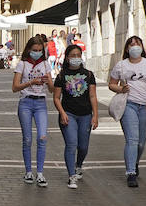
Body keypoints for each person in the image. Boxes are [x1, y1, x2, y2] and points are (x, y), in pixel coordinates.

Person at [108, 36, 146, 188]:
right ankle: (130, 172)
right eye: (131, 44)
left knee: (141, 142)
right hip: (128, 105)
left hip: (145, 106)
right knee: (132, 139)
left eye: (137, 44)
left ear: (142, 47)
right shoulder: (121, 65)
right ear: (127, 49)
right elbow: (111, 84)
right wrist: (120, 89)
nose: (134, 47)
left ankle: (135, 162)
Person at [52, 43, 99, 189]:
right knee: (71, 144)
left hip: (85, 115)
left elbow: (92, 96)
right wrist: (62, 113)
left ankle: (78, 165)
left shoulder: (88, 75)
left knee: (83, 146)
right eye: (73, 56)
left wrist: (95, 115)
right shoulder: (61, 76)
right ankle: (71, 175)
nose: (76, 58)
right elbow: (56, 98)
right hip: (69, 114)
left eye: (78, 55)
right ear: (66, 58)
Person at [12, 33, 56, 186]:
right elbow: (15, 87)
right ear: (29, 49)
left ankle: (41, 173)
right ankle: (28, 171)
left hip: (41, 103)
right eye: (34, 49)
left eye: (39, 50)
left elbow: (51, 89)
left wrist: (48, 82)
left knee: (42, 137)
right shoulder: (22, 64)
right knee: (27, 138)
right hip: (26, 102)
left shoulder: (45, 64)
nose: (37, 52)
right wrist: (31, 82)